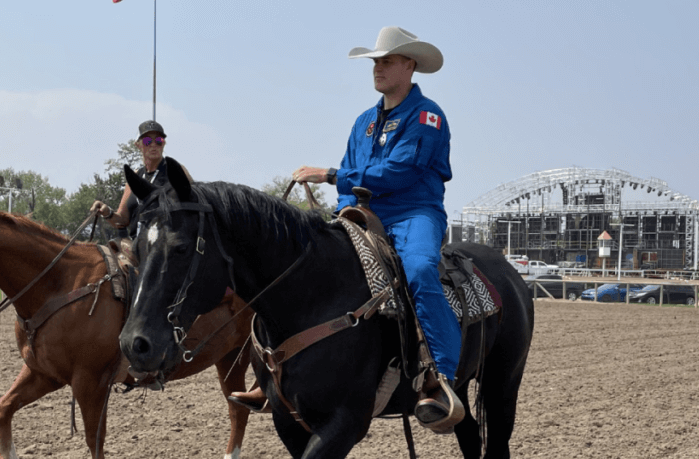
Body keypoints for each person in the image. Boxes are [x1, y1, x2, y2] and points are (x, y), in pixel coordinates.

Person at [230, 27, 465, 434]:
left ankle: (442, 378)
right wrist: (341, 212)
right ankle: (272, 377)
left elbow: (399, 172)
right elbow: (354, 181)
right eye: (375, 61)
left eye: (386, 61)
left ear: (409, 66)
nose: (377, 68)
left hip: (413, 212)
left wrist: (330, 175)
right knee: (304, 263)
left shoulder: (428, 116)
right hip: (360, 211)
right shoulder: (363, 122)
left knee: (422, 270)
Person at [91, 120, 194, 237]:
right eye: (147, 141)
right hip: (136, 246)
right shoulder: (135, 176)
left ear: (164, 143)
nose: (153, 144)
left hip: (167, 246)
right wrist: (107, 212)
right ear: (138, 145)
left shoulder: (176, 170)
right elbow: (123, 220)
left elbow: (195, 204)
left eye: (159, 140)